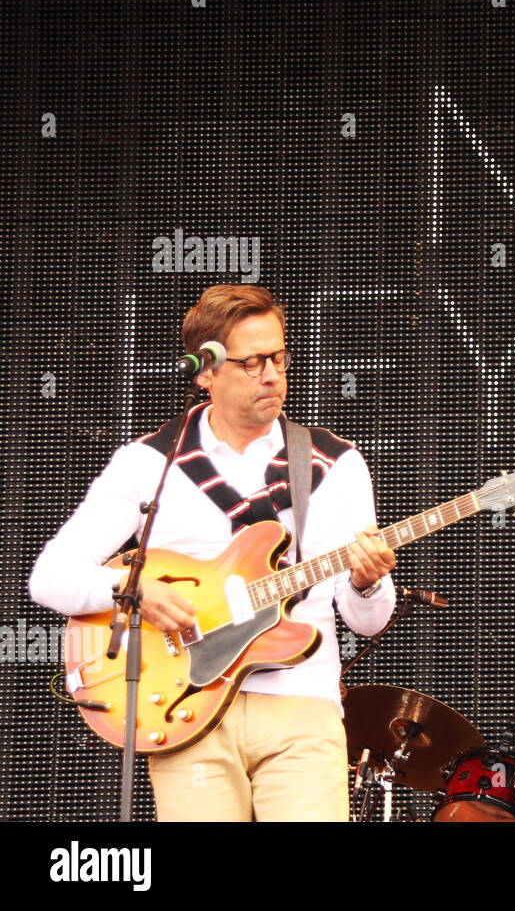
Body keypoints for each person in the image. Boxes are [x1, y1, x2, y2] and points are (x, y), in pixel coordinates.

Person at [29, 284, 397, 821]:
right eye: (252, 363)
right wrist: (135, 592)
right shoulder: (148, 462)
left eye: (279, 356)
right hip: (185, 707)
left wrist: (366, 582)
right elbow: (50, 576)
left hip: (301, 704)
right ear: (205, 371)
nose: (272, 375)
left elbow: (367, 622)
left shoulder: (334, 463)